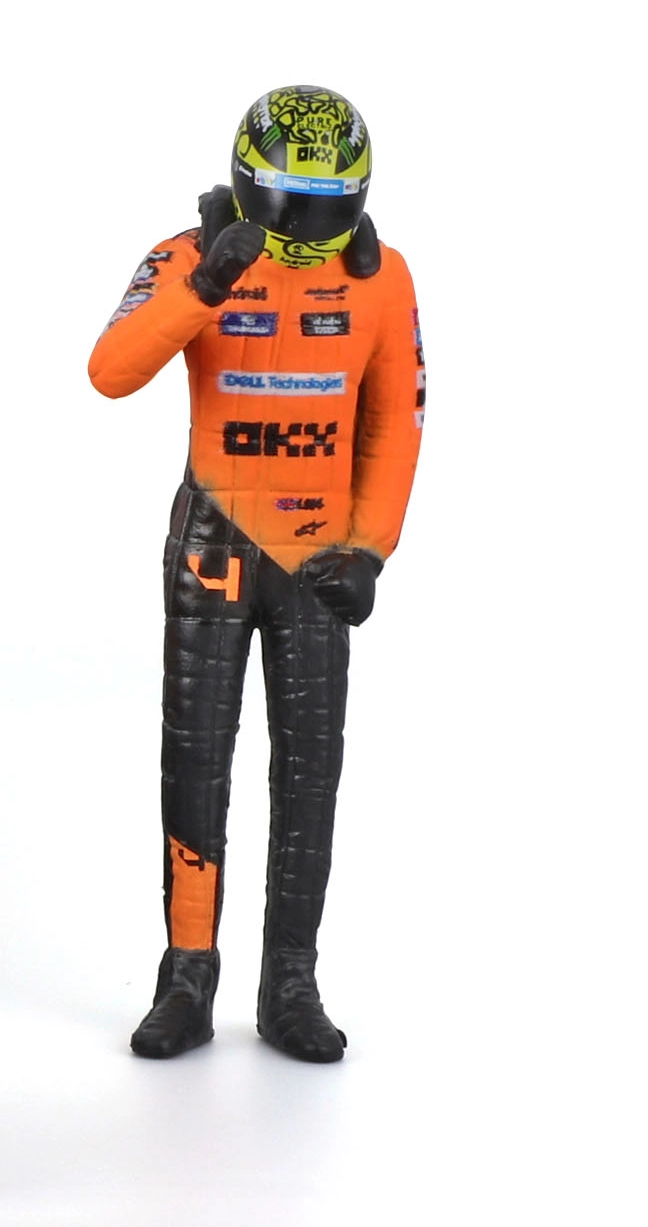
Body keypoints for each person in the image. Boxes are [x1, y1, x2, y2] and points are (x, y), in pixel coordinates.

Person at [87, 86, 423, 1061]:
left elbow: (396, 420)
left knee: (309, 774)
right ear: (245, 185)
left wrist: (371, 548)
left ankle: (291, 983)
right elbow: (110, 370)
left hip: (318, 562)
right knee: (194, 762)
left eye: (328, 207)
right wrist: (203, 286)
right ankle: (186, 976)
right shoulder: (189, 255)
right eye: (288, 204)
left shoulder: (386, 280)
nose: (306, 230)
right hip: (214, 542)